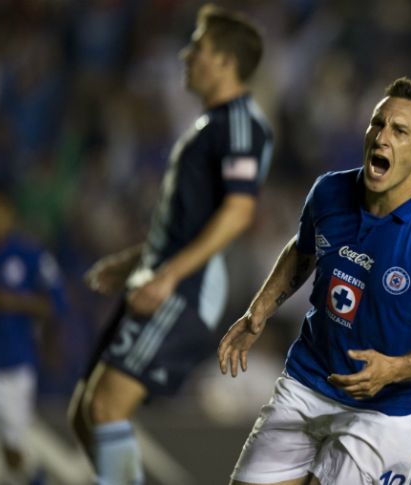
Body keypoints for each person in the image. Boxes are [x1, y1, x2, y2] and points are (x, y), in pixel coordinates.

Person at [218, 77, 411, 485]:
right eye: (378, 124)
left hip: (388, 408)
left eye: (399, 131)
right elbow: (303, 250)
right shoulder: (329, 193)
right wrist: (259, 311)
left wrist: (394, 369)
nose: (382, 137)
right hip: (311, 377)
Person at [67, 4, 272, 483]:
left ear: (224, 60)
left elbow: (238, 212)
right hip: (162, 278)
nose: (186, 55)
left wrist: (168, 274)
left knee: (106, 408)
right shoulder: (204, 128)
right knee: (86, 415)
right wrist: (135, 262)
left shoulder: (241, 124)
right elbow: (189, 222)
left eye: (197, 47)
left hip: (185, 289)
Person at [0, 187, 67, 484]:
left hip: (13, 370)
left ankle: (36, 477)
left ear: (11, 216)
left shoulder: (30, 256)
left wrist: (14, 301)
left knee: (13, 453)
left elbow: (56, 304)